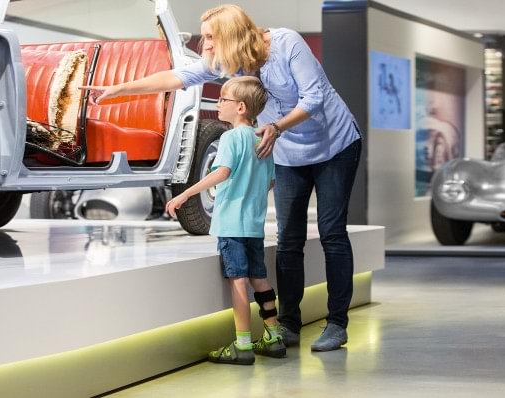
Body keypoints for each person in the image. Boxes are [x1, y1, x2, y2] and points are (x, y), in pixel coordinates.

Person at [82, 4, 362, 352]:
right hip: (288, 151)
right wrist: (119, 90)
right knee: (289, 239)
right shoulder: (229, 63)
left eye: (212, 37)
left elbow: (315, 97)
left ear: (230, 35)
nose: (207, 45)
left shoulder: (286, 43)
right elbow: (176, 77)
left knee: (332, 231)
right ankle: (288, 323)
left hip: (335, 144)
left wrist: (276, 126)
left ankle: (337, 323)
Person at [165, 76, 284, 365]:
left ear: (240, 107)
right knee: (260, 279)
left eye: (223, 99)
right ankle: (273, 336)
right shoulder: (261, 139)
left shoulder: (230, 137)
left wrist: (184, 195)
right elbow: (271, 182)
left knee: (238, 281)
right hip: (254, 225)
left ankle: (242, 344)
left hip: (231, 224)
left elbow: (222, 172)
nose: (217, 104)